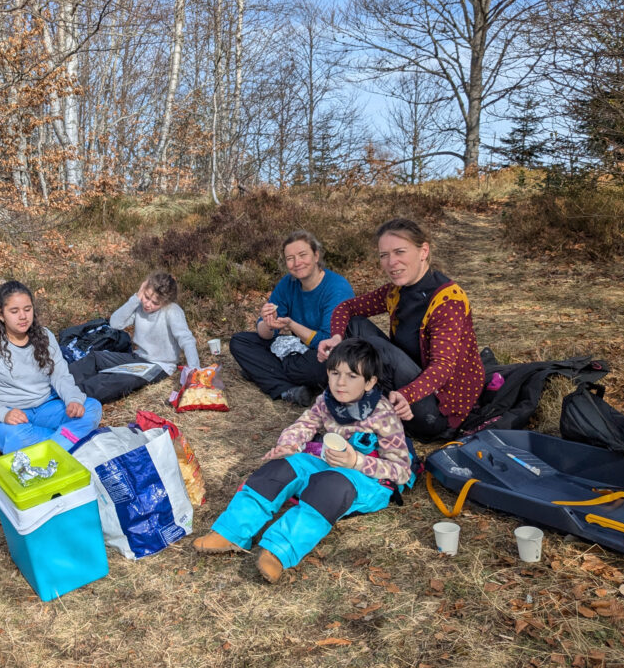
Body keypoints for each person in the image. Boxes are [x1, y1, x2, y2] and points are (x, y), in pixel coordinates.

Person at [193, 338, 411, 584]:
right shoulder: (327, 400)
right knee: (279, 469)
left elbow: (401, 471)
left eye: (352, 376)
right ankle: (231, 532)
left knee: (330, 487)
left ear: (370, 382)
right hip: (326, 462)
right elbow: (305, 424)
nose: (340, 382)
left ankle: (278, 552)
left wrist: (356, 462)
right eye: (335, 373)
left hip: (366, 479)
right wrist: (288, 445)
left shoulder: (383, 415)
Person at [317, 218, 484, 442]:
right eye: (384, 255)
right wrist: (336, 337)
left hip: (438, 412)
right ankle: (357, 400)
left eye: (399, 252)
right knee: (354, 325)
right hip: (405, 385)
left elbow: (443, 367)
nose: (391, 262)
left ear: (423, 251)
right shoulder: (396, 291)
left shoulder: (447, 300)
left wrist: (407, 394)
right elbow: (345, 308)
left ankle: (362, 406)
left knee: (374, 348)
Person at [0, 281, 102, 454]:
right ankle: (67, 442)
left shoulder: (45, 336)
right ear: (1, 315)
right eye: (14, 311)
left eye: (27, 309)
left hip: (45, 408)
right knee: (16, 437)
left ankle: (51, 448)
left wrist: (73, 399)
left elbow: (60, 375)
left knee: (92, 408)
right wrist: (4, 414)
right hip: (10, 413)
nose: (23, 316)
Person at [229, 231, 353, 405]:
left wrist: (291, 325)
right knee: (239, 341)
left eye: (303, 255)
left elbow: (327, 342)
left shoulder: (336, 288)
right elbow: (263, 332)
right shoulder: (289, 283)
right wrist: (268, 324)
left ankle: (264, 373)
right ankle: (290, 388)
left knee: (318, 368)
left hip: (331, 353)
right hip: (298, 349)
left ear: (316, 256)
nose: (297, 263)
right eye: (290, 258)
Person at [69, 271, 201, 403]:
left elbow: (186, 340)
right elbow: (115, 323)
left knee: (115, 379)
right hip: (137, 357)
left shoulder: (172, 311)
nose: (148, 304)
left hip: (159, 365)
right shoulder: (139, 305)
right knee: (96, 358)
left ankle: (73, 398)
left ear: (165, 303)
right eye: (147, 297)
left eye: (155, 303)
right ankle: (60, 383)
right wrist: (137, 297)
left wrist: (195, 370)